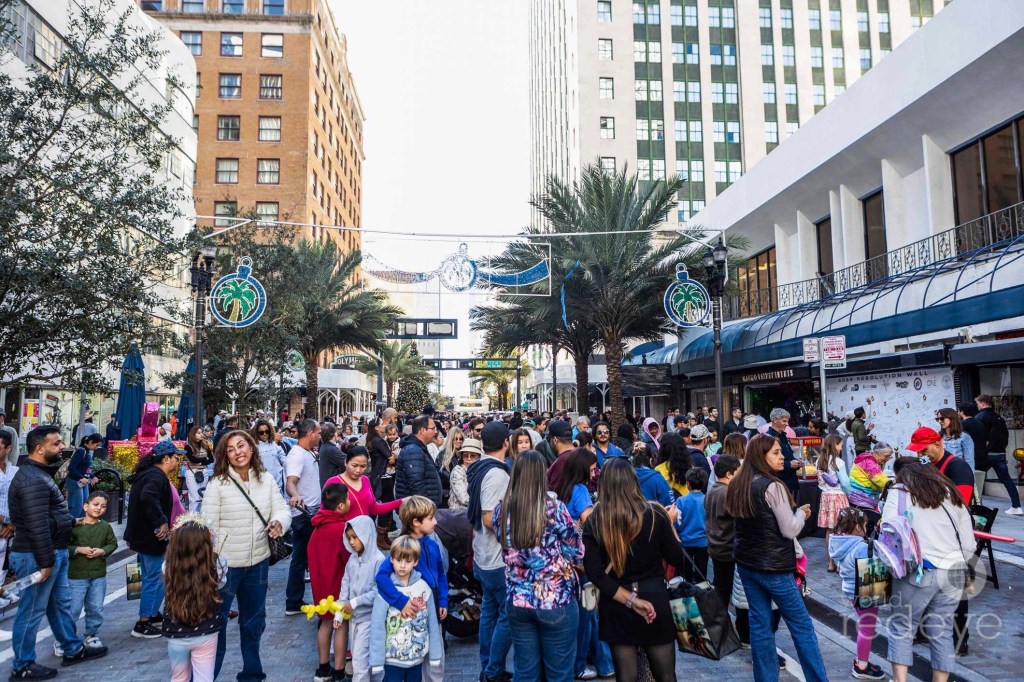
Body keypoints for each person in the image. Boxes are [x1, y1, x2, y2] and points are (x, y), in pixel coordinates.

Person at [725, 434, 828, 682]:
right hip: (774, 568)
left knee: (760, 626)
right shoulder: (773, 486)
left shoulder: (739, 483)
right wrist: (801, 514)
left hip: (748, 565)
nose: (782, 457)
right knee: (801, 627)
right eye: (775, 452)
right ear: (760, 456)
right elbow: (790, 529)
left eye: (781, 452)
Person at [9, 425, 107, 680]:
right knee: (31, 611)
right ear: (40, 449)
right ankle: (22, 665)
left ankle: (72, 647)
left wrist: (68, 522)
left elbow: (45, 517)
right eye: (56, 443)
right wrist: (45, 562)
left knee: (60, 605)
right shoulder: (32, 479)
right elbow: (36, 524)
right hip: (38, 554)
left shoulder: (38, 475)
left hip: (51, 551)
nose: (62, 446)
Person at [581, 458, 691, 682]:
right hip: (655, 598)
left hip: (616, 602)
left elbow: (595, 573)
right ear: (633, 481)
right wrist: (669, 525)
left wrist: (630, 600)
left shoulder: (596, 520)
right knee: (666, 675)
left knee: (626, 675)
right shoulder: (654, 515)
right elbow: (679, 558)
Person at [203, 429, 291, 681]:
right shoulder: (217, 485)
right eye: (230, 449)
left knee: (254, 621)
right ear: (225, 456)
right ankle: (208, 674)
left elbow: (282, 508)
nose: (237, 452)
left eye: (241, 446)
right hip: (225, 566)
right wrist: (217, 556)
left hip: (258, 562)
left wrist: (278, 523)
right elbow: (208, 527)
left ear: (251, 448)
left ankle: (252, 672)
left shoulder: (266, 479)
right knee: (215, 624)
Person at [493, 449, 582, 682]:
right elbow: (575, 551)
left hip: (517, 598)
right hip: (555, 598)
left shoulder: (502, 509)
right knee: (559, 672)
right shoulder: (554, 507)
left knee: (525, 671)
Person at [884, 460, 974, 682]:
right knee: (942, 630)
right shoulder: (951, 494)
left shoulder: (900, 492)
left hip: (918, 572)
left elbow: (888, 532)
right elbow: (969, 544)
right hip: (953, 572)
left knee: (902, 628)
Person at [374, 496, 449, 682]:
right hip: (408, 616)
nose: (436, 521)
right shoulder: (403, 548)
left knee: (436, 657)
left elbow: (440, 574)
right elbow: (381, 577)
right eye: (431, 518)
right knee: (415, 659)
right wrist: (400, 602)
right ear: (416, 522)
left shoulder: (432, 544)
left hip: (431, 610)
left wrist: (443, 600)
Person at [467, 421, 513, 682]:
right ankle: (493, 670)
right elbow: (488, 517)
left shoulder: (480, 467)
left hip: (484, 555)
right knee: (506, 615)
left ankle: (488, 666)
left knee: (489, 612)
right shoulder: (497, 474)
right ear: (506, 443)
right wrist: (511, 542)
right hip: (496, 559)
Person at [125, 439, 181, 638]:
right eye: (175, 458)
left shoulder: (150, 475)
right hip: (149, 536)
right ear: (166, 459)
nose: (177, 462)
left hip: (143, 535)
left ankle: (152, 613)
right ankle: (143, 622)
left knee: (157, 576)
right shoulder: (156, 477)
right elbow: (148, 498)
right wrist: (162, 521)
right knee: (154, 577)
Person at [369, 536, 443, 681]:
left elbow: (432, 623)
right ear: (391, 559)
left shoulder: (423, 587)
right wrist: (377, 661)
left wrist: (435, 655)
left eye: (408, 561)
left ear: (415, 562)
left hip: (416, 658)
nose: (402, 565)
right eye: (398, 560)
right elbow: (377, 626)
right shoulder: (386, 590)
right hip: (392, 659)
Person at [162, 514, 224, 682]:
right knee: (204, 678)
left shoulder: (168, 565)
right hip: (206, 630)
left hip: (175, 632)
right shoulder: (217, 563)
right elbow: (222, 583)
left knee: (179, 677)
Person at [827, 507, 886, 681]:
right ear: (858, 527)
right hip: (865, 589)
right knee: (867, 628)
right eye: (865, 525)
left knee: (864, 625)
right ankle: (862, 666)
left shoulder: (838, 541)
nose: (866, 528)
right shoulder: (860, 546)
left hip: (850, 588)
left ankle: (862, 661)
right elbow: (878, 561)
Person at [308, 483, 353, 682]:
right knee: (340, 625)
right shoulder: (342, 529)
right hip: (338, 584)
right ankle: (339, 669)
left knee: (325, 623)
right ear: (341, 506)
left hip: (320, 585)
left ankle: (323, 668)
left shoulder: (317, 528)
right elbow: (348, 558)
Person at [66, 492, 116, 652]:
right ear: (86, 506)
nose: (99, 508)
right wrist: (78, 549)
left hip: (98, 575)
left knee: (95, 607)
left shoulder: (105, 527)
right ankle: (65, 638)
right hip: (76, 575)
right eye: (96, 505)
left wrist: (103, 551)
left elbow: (112, 543)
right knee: (73, 608)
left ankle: (91, 634)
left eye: (103, 506)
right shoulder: (74, 527)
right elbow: (63, 547)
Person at [338, 516, 385, 682]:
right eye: (349, 537)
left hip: (369, 619)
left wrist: (355, 602)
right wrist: (339, 611)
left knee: (360, 661)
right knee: (364, 660)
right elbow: (346, 584)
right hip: (354, 619)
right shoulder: (352, 559)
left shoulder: (378, 561)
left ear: (366, 534)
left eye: (355, 537)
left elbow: (379, 591)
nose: (351, 542)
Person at [285, 418, 322, 615]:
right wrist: (295, 495)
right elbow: (290, 482)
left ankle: (295, 600)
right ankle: (294, 601)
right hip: (303, 514)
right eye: (318, 432)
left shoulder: (306, 453)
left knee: (302, 558)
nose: (320, 435)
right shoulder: (297, 456)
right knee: (302, 558)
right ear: (310, 434)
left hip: (310, 511)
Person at [324, 447, 405, 527]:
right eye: (354, 465)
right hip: (345, 536)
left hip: (365, 534)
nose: (358, 470)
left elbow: (374, 508)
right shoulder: (333, 482)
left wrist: (401, 502)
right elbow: (324, 515)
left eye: (363, 466)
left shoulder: (365, 480)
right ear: (346, 462)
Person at [974, 394, 1022, 514]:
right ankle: (1016, 506)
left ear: (983, 403)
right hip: (1000, 453)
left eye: (978, 403)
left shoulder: (980, 417)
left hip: (986, 454)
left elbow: (978, 436)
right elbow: (1005, 435)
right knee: (1006, 479)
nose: (977, 406)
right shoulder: (998, 417)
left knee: (975, 479)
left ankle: (976, 507)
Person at [705, 455, 741, 606]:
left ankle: (720, 617)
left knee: (720, 586)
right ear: (729, 474)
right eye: (738, 472)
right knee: (724, 589)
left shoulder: (712, 489)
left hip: (715, 546)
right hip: (727, 549)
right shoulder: (728, 493)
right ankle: (721, 620)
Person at [816, 434, 851, 573]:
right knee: (841, 529)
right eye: (840, 445)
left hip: (825, 497)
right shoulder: (838, 462)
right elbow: (845, 483)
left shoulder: (820, 460)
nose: (841, 447)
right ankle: (839, 562)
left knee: (829, 531)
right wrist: (851, 493)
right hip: (838, 496)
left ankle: (830, 563)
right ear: (835, 445)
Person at [395, 415, 443, 509]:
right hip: (417, 510)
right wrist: (426, 507)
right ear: (422, 430)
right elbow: (416, 483)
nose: (435, 432)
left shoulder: (417, 448)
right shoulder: (413, 450)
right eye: (433, 428)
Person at [674, 467, 709, 584]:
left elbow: (677, 522)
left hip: (685, 542)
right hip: (703, 542)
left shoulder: (681, 501)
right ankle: (702, 594)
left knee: (685, 573)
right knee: (702, 571)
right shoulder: (707, 500)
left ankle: (687, 596)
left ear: (688, 483)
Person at [849, 443, 891, 527]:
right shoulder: (870, 463)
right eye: (886, 456)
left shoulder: (865, 459)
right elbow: (883, 481)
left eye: (889, 457)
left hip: (855, 498)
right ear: (876, 453)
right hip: (862, 500)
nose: (887, 459)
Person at [764, 409, 801, 498]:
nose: (787, 424)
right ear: (774, 420)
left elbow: (788, 455)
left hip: (790, 482)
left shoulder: (784, 436)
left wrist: (796, 462)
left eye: (787, 421)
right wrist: (789, 464)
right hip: (779, 482)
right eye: (784, 421)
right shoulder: (768, 438)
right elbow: (767, 462)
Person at [0, 431, 19, 589]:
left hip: (9, 530)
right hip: (5, 525)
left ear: (8, 448)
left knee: (2, 567)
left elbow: (22, 500)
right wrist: (7, 521)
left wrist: (13, 524)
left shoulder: (15, 472)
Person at [67, 434, 101, 520]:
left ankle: (81, 524)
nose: (97, 447)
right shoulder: (81, 451)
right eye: (96, 445)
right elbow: (71, 467)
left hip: (83, 482)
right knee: (77, 506)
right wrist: (81, 478)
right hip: (75, 482)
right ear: (90, 442)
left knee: (85, 505)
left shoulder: (88, 451)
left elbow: (87, 468)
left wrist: (92, 476)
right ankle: (72, 525)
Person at [183, 425, 215, 513]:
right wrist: (204, 460)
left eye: (201, 433)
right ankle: (193, 519)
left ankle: (202, 518)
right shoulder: (188, 447)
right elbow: (192, 459)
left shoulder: (205, 445)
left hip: (204, 471)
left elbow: (211, 459)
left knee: (203, 496)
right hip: (192, 473)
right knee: (194, 497)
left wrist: (200, 461)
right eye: (198, 433)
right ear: (193, 434)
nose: (201, 435)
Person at [654, 432, 692, 498]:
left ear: (663, 448)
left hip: (669, 506)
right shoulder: (690, 465)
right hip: (687, 503)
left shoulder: (659, 469)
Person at [447, 438, 481, 510]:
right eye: (465, 455)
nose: (469, 458)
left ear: (479, 457)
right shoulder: (457, 471)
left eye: (473, 455)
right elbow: (464, 498)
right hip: (459, 514)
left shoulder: (480, 471)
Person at [316, 422, 346, 489]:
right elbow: (348, 462)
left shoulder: (325, 446)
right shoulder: (331, 449)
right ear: (333, 434)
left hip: (327, 485)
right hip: (331, 488)